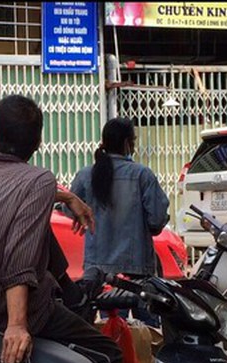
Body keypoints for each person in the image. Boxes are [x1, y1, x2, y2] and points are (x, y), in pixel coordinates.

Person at [0, 94, 122, 363]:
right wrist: (16, 325)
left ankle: (72, 294)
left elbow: (11, 191)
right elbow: (19, 258)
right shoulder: (39, 180)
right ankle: (73, 297)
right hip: (4, 310)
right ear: (38, 143)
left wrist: (67, 197)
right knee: (110, 353)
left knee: (39, 229)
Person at [69, 118, 170, 325]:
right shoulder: (142, 175)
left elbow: (70, 210)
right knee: (148, 330)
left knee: (111, 327)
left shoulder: (85, 175)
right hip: (137, 269)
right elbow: (157, 218)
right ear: (127, 143)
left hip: (98, 271)